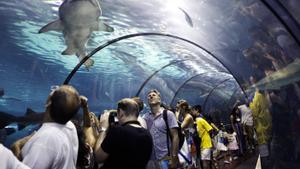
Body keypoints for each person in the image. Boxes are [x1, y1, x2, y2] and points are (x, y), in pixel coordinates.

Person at [13, 85, 81, 169]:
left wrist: (16, 146)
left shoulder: (46, 141)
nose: (52, 90)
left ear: (48, 102)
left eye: (53, 91)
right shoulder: (71, 127)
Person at [94, 98, 153, 169]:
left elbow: (98, 157)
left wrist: (103, 129)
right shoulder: (148, 135)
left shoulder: (118, 131)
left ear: (121, 113)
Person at [143, 89, 179, 169]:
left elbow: (175, 136)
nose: (151, 96)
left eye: (154, 95)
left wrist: (174, 157)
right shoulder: (145, 117)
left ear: (159, 99)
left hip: (165, 158)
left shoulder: (168, 114)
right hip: (150, 160)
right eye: (149, 96)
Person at [190, 104, 213, 169]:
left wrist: (208, 138)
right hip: (201, 143)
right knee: (205, 161)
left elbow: (210, 129)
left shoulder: (201, 119)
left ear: (197, 110)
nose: (192, 112)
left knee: (205, 161)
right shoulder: (196, 120)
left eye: (193, 110)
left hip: (205, 142)